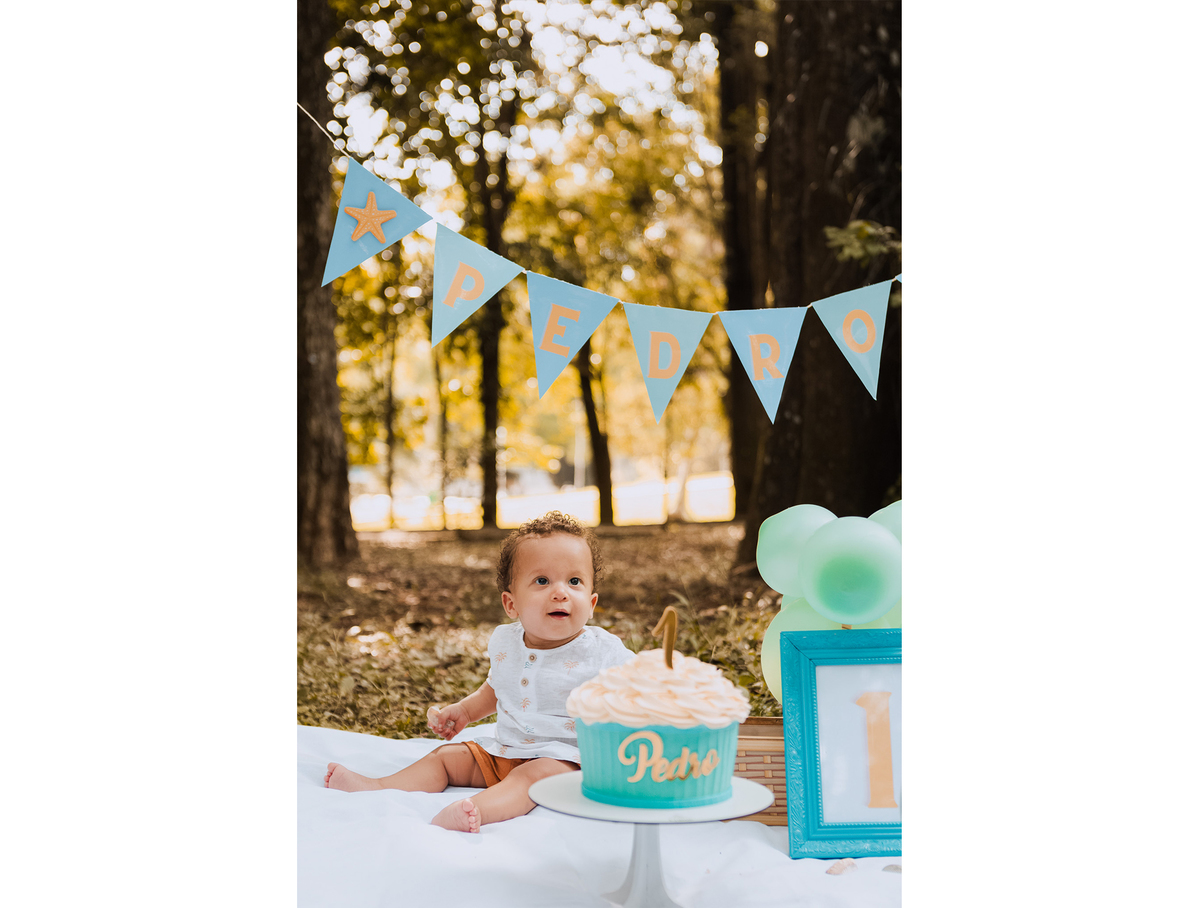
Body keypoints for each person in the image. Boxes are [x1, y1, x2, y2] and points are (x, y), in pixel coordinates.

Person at [324, 511, 634, 832]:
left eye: (574, 581)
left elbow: (645, 685)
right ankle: (377, 787)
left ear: (592, 601)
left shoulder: (602, 650)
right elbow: (497, 686)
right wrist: (464, 712)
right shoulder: (505, 641)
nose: (561, 592)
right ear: (511, 604)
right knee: (445, 757)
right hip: (506, 749)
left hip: (566, 761)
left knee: (528, 778)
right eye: (542, 581)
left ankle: (474, 811)